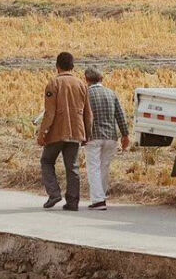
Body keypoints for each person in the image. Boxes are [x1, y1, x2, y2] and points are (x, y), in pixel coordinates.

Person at [37, 50, 92, 210]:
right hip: (76, 131)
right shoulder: (82, 84)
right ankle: (73, 202)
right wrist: (87, 134)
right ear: (73, 66)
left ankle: (54, 193)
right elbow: (88, 113)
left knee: (47, 161)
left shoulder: (53, 84)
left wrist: (42, 133)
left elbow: (50, 113)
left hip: (57, 132)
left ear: (57, 66)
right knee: (72, 167)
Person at [83, 66, 130, 209]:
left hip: (93, 136)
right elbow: (120, 115)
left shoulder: (86, 94)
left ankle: (98, 200)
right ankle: (101, 196)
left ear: (86, 79)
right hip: (111, 136)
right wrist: (125, 135)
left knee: (93, 168)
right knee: (104, 167)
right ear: (101, 78)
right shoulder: (111, 93)